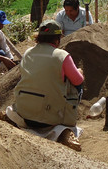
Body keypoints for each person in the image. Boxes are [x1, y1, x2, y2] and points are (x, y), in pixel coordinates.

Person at [13, 20, 84, 151]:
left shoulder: (28, 52)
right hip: (50, 118)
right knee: (76, 86)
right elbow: (78, 81)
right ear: (57, 39)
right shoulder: (61, 55)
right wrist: (79, 72)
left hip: (24, 113)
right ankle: (66, 127)